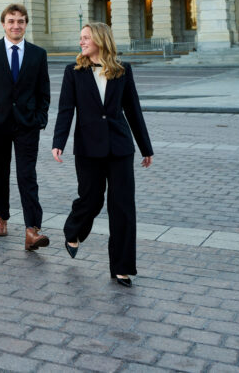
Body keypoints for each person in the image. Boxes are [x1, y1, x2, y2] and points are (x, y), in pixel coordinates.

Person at [51, 22, 153, 287]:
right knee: (91, 199)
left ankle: (122, 267)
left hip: (120, 148)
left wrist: (146, 148)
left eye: (86, 38)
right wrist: (58, 141)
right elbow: (65, 109)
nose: (82, 42)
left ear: (100, 40)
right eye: (81, 38)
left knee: (123, 208)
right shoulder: (73, 72)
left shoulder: (122, 70)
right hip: (88, 148)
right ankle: (73, 231)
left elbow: (133, 110)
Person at [0, 3, 51, 251]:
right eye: (11, 21)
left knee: (27, 175)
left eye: (21, 21)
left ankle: (32, 229)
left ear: (26, 24)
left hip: (27, 124)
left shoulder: (38, 54)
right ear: (3, 24)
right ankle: (1, 217)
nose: (16, 25)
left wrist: (40, 118)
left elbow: (44, 91)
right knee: (0, 170)